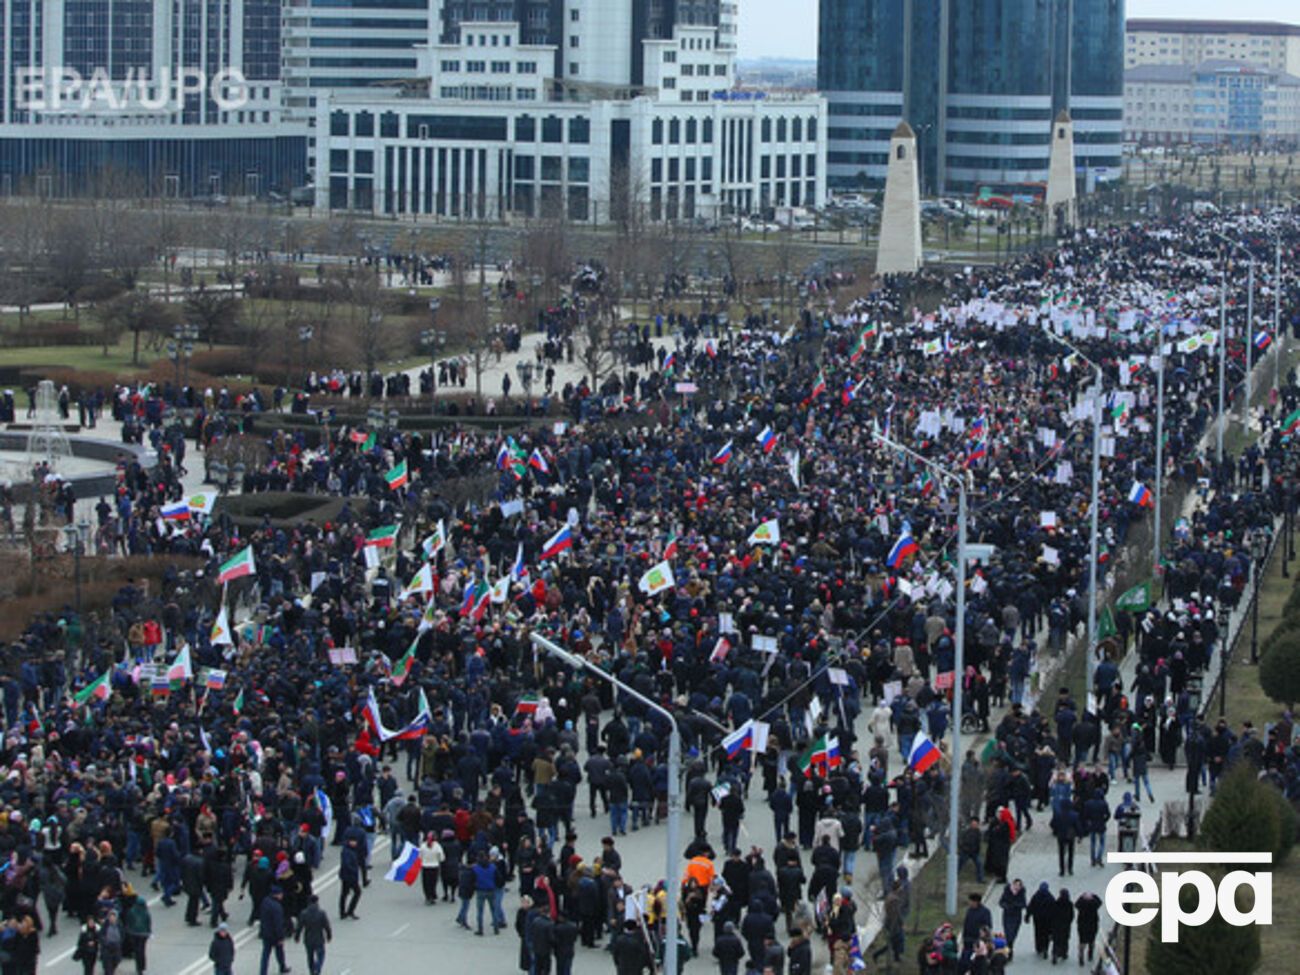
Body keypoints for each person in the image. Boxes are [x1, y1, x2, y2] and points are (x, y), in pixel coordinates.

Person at [295, 894, 332, 975]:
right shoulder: (321, 913)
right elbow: (326, 926)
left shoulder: (304, 913)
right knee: (321, 955)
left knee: (310, 956)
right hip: (319, 938)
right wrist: (329, 936)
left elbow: (299, 927)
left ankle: (312, 971)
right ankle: (317, 968)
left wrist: (297, 937)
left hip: (308, 939)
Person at [257, 885, 290, 975]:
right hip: (274, 934)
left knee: (266, 954)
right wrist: (280, 937)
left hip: (266, 933)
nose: (282, 895)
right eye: (281, 894)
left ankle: (263, 972)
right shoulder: (277, 907)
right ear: (277, 894)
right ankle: (282, 967)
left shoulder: (265, 901)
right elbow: (278, 923)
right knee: (279, 951)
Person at [122, 889, 152, 975]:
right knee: (142, 950)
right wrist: (149, 932)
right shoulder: (146, 912)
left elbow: (128, 922)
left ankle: (138, 967)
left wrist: (129, 930)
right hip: (143, 935)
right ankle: (142, 966)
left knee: (137, 950)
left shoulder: (132, 911)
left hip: (134, 934)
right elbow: (148, 923)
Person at [998, 880, 1027, 957]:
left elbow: (1024, 904)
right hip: (1007, 915)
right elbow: (1001, 902)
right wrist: (1006, 906)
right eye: (1015, 884)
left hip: (1017, 916)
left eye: (1019, 885)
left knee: (1013, 934)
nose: (1017, 887)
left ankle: (1010, 947)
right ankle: (1009, 951)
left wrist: (1016, 905)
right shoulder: (1007, 891)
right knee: (1008, 934)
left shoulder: (1021, 893)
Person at [1027, 882, 1055, 961]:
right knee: (1046, 934)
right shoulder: (1050, 897)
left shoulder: (1036, 896)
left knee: (1038, 933)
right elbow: (1054, 909)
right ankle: (1045, 948)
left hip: (1037, 919)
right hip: (1047, 920)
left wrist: (1027, 915)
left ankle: (1039, 947)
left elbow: (1031, 906)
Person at [1075, 891, 1102, 967]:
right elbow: (1100, 902)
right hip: (1092, 924)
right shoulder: (1094, 904)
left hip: (1082, 925)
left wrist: (1082, 896)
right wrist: (1094, 895)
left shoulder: (1081, 904)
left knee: (1082, 941)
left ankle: (1081, 955)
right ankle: (1090, 954)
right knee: (1092, 940)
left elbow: (1076, 904)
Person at [339, 838, 363, 920]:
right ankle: (349, 911)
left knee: (344, 894)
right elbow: (346, 864)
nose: (354, 843)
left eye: (355, 841)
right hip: (349, 876)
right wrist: (354, 870)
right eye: (353, 841)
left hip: (347, 875)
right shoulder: (347, 851)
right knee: (356, 892)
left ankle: (343, 912)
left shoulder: (351, 850)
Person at [1050, 887, 1074, 964]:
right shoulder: (1070, 904)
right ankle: (1064, 953)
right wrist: (1068, 922)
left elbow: (1052, 914)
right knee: (1065, 940)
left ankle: (1055, 953)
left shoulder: (1056, 903)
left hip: (1056, 925)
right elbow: (1071, 916)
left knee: (1056, 941)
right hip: (1065, 926)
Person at [419, 832, 445, 905]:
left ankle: (427, 896)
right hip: (434, 866)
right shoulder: (437, 846)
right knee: (433, 882)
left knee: (426, 883)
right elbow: (442, 858)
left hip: (425, 866)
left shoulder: (423, 846)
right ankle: (432, 895)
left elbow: (419, 856)